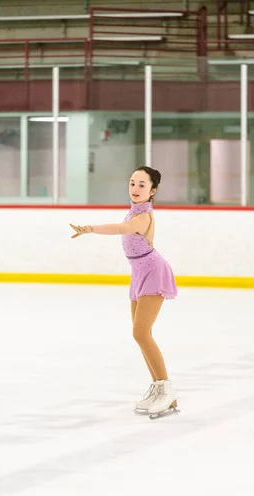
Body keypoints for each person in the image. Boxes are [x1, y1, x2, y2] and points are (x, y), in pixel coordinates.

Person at [70, 166, 179, 420]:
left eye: (142, 185)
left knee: (140, 332)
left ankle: (166, 387)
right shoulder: (134, 210)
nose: (135, 188)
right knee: (141, 334)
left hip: (153, 271)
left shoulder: (142, 217)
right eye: (132, 183)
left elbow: (121, 229)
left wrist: (91, 228)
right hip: (139, 273)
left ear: (153, 191)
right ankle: (159, 388)